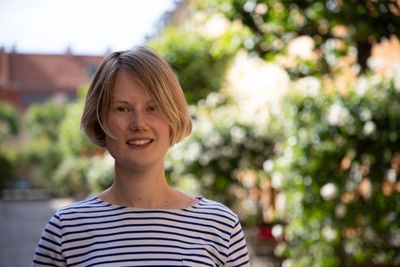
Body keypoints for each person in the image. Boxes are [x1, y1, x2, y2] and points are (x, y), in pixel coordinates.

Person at [32, 46, 250, 266]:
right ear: (100, 121)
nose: (139, 124)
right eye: (122, 109)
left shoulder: (220, 225)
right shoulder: (65, 229)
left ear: (173, 119)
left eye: (153, 107)